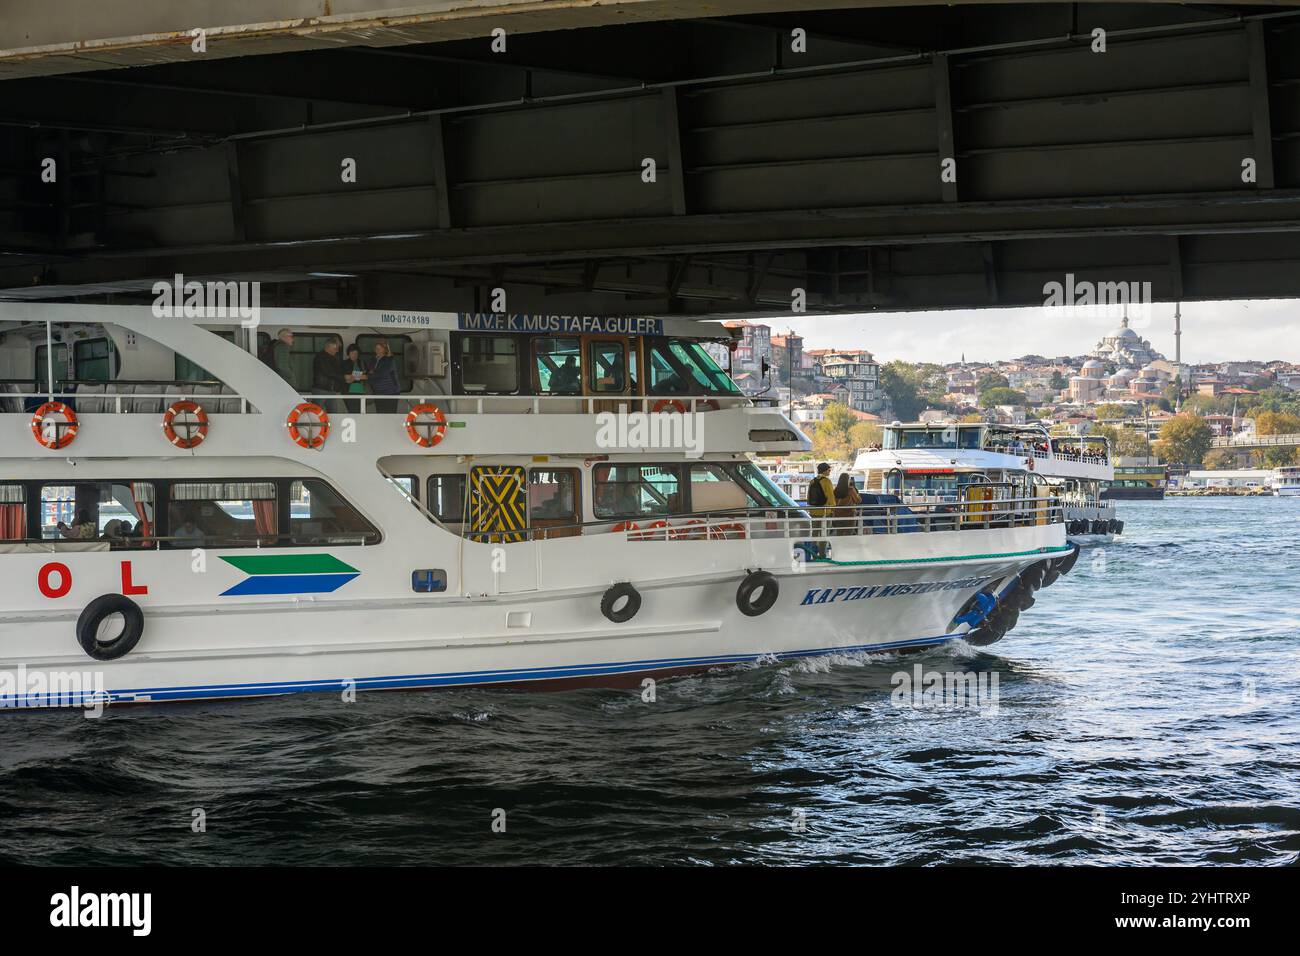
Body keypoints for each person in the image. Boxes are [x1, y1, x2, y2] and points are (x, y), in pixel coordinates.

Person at [806, 462, 835, 555]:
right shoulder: (827, 481)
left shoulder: (813, 481)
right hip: (825, 512)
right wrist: (833, 509)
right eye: (829, 470)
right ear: (825, 470)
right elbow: (831, 498)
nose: (829, 472)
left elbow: (808, 497)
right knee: (824, 533)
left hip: (813, 511)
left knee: (814, 533)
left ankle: (813, 554)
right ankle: (822, 554)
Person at [312, 337, 347, 413]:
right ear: (329, 346)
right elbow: (327, 372)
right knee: (316, 413)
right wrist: (343, 377)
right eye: (336, 348)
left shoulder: (334, 358)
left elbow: (337, 372)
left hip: (332, 390)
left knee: (334, 414)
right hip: (321, 389)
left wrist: (344, 378)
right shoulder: (320, 357)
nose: (337, 350)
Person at [368, 340, 401, 413]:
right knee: (380, 414)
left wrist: (371, 374)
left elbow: (383, 373)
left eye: (380, 348)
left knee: (390, 414)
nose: (378, 350)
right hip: (378, 392)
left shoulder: (389, 360)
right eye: (376, 348)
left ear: (384, 349)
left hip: (390, 392)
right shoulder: (373, 360)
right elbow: (370, 371)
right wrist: (370, 374)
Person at [343, 343, 369, 413]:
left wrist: (353, 377)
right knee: (353, 413)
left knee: (362, 413)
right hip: (349, 392)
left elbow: (366, 376)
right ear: (348, 353)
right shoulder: (344, 363)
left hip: (362, 391)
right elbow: (346, 377)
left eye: (356, 353)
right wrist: (360, 376)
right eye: (352, 353)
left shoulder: (362, 363)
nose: (354, 355)